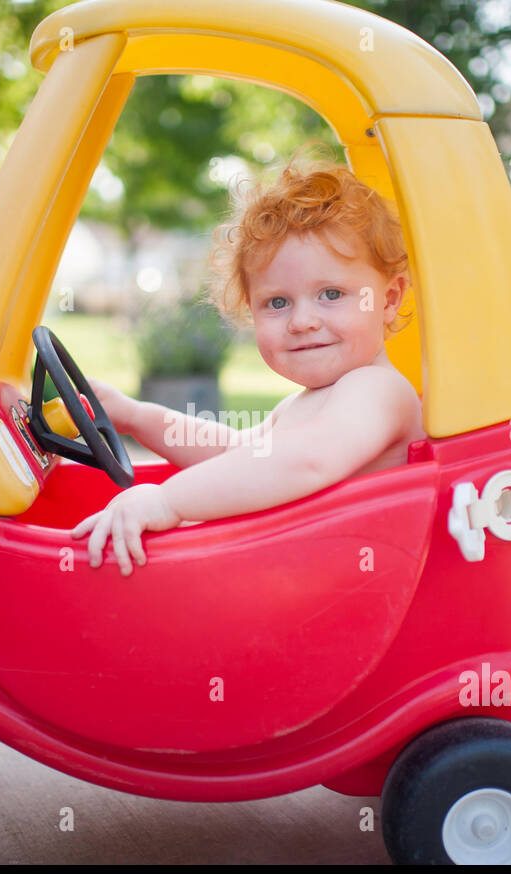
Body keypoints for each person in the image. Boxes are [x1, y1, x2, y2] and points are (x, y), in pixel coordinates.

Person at [72, 157, 426, 575]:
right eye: (277, 302)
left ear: (388, 299)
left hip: (335, 598)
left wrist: (168, 501)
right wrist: (135, 415)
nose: (302, 321)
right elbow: (235, 454)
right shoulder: (307, 403)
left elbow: (308, 461)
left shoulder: (379, 391)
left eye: (331, 294)